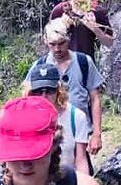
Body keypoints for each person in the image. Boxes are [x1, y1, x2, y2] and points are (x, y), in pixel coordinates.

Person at [25, 18, 104, 161]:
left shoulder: (83, 62)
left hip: (81, 133)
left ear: (69, 39)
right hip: (48, 135)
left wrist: (97, 134)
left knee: (82, 167)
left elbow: (95, 98)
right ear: (45, 41)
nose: (57, 49)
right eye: (52, 44)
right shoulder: (39, 67)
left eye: (61, 43)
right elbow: (26, 98)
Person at [27, 62, 90, 175]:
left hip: (67, 178)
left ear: (58, 90)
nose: (44, 96)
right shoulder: (24, 118)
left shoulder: (76, 116)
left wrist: (83, 182)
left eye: (49, 90)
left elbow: (81, 159)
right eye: (38, 91)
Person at [48, 0, 114, 58]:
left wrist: (95, 28)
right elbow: (49, 40)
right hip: (62, 62)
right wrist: (61, 27)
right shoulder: (60, 10)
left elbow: (109, 43)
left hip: (86, 62)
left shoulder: (97, 11)